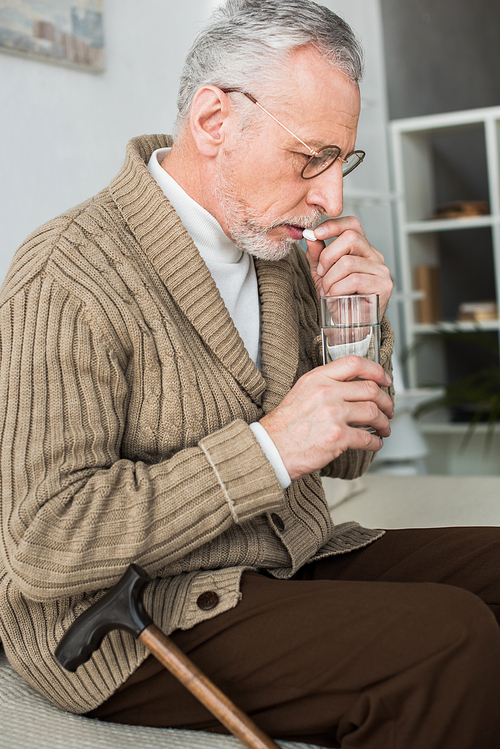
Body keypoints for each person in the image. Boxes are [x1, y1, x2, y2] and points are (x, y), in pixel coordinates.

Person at [1, 2, 500, 747]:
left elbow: (354, 453)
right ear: (213, 121)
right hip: (126, 613)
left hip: (284, 559)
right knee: (449, 639)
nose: (331, 198)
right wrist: (267, 448)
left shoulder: (281, 251)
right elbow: (43, 544)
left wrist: (354, 319)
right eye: (312, 158)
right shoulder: (68, 273)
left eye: (343, 162)